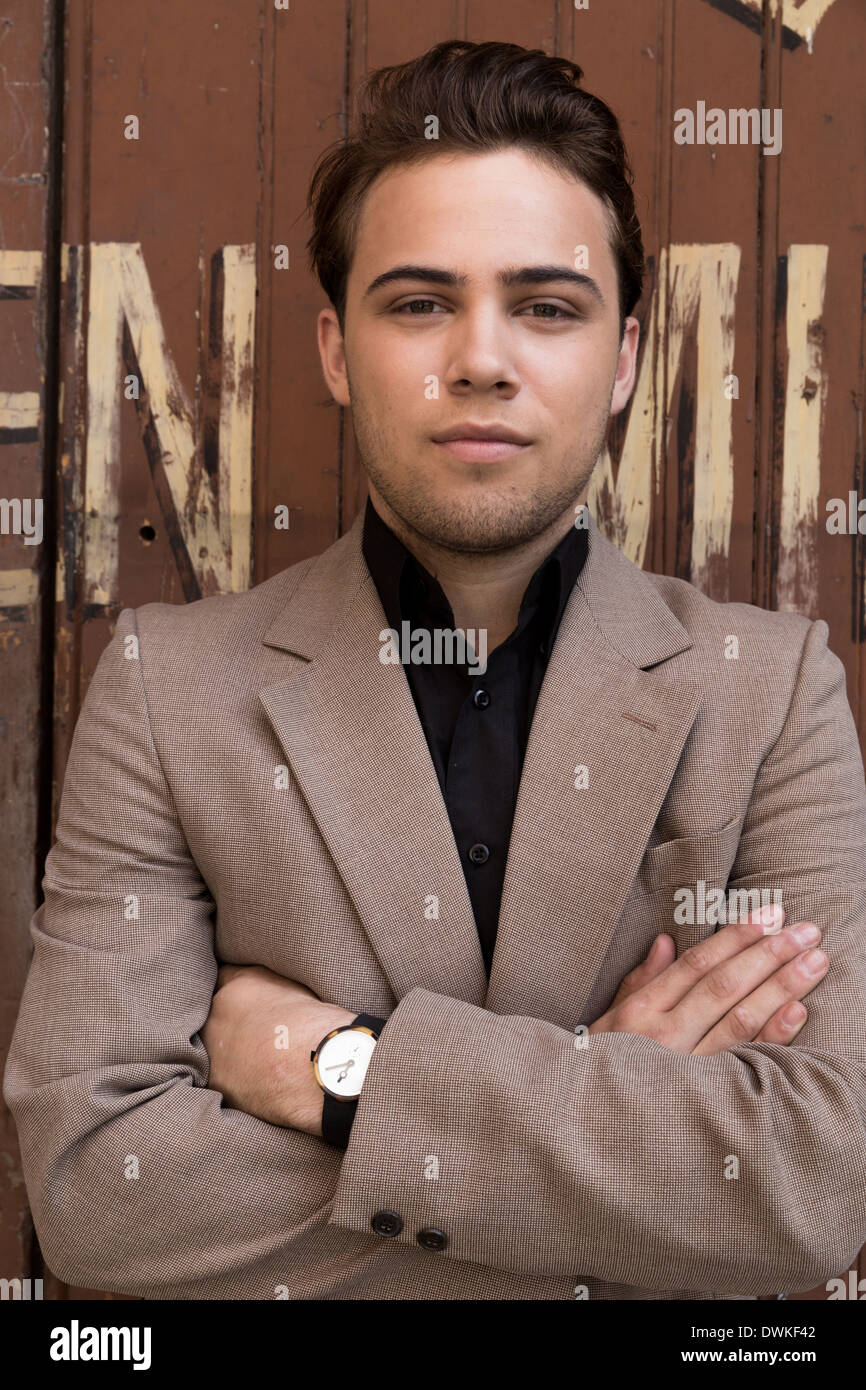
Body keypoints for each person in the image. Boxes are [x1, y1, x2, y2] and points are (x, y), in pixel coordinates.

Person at [5, 39, 866, 1301]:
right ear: (336, 351)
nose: (479, 358)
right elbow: (97, 1190)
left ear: (623, 357)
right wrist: (610, 1131)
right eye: (418, 302)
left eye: (546, 305)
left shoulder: (770, 688)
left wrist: (344, 1072)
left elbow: (807, 1183)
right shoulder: (167, 689)